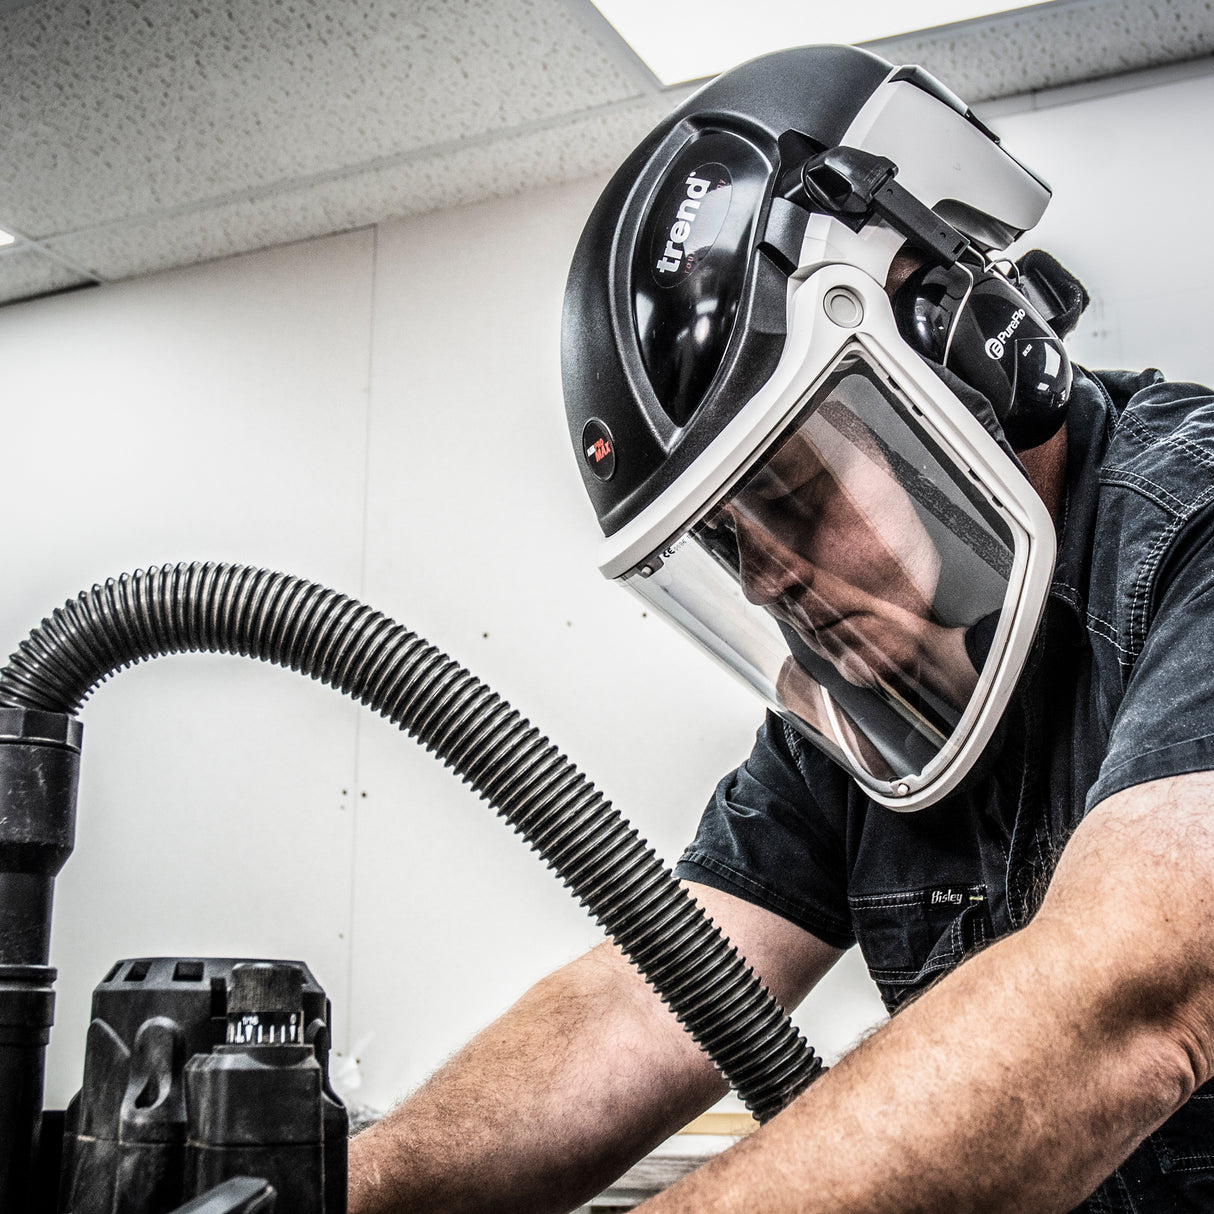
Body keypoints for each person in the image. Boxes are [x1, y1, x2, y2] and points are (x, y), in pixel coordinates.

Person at [348, 44, 1214, 1213]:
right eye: (723, 544)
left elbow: (1130, 999)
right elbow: (657, 988)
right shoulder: (876, 697)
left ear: (967, 350)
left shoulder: (1192, 532)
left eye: (790, 499)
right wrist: (345, 1188)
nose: (765, 588)